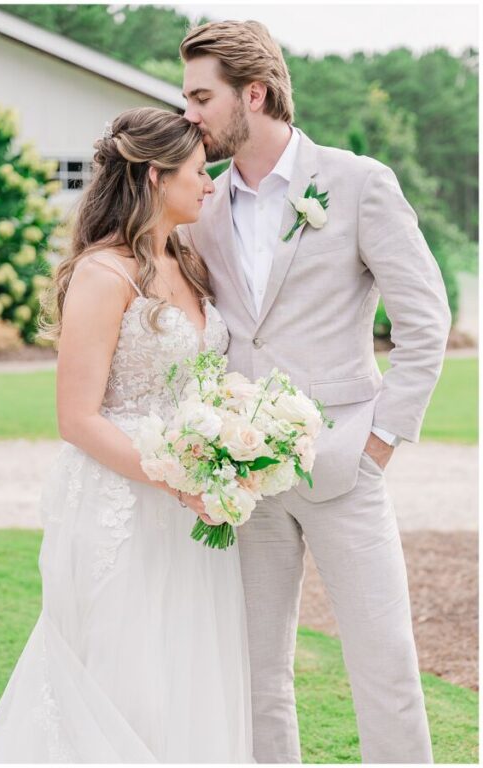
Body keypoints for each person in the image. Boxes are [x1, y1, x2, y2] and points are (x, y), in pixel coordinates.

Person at [177, 20, 448, 763]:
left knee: (385, 664)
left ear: (253, 93)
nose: (189, 114)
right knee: (257, 674)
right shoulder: (199, 203)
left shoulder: (358, 183)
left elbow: (426, 323)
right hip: (243, 478)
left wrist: (379, 442)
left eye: (202, 96)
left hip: (345, 467)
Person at [0, 108, 253, 762]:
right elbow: (76, 418)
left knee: (185, 669)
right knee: (122, 676)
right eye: (196, 172)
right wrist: (184, 482)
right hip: (122, 505)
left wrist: (229, 453)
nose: (208, 185)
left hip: (191, 509)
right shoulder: (105, 275)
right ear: (156, 176)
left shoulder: (187, 262)